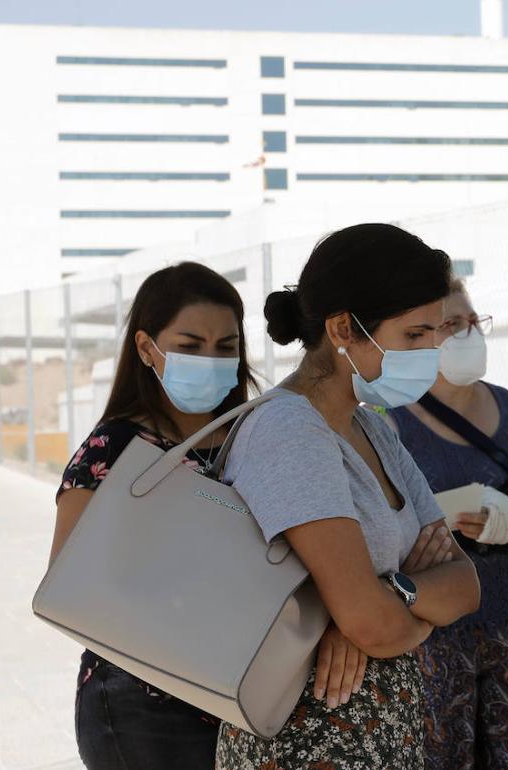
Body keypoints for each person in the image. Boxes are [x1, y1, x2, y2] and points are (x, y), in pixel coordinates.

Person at [215, 223, 481, 770]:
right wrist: (387, 610)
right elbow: (370, 623)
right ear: (342, 328)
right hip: (309, 740)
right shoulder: (289, 430)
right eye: (413, 335)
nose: (431, 351)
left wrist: (392, 592)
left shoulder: (373, 427)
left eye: (436, 333)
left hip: (380, 733)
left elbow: (465, 583)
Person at [51, 262, 257, 770]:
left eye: (225, 347)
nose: (210, 360)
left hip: (250, 698)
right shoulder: (115, 446)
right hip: (142, 704)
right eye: (189, 346)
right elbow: (66, 587)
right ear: (147, 348)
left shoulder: (256, 439)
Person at [383, 279, 508, 770]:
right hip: (434, 637)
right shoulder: (385, 421)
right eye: (450, 325)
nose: (466, 333)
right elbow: (378, 536)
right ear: (418, 335)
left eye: (472, 321)